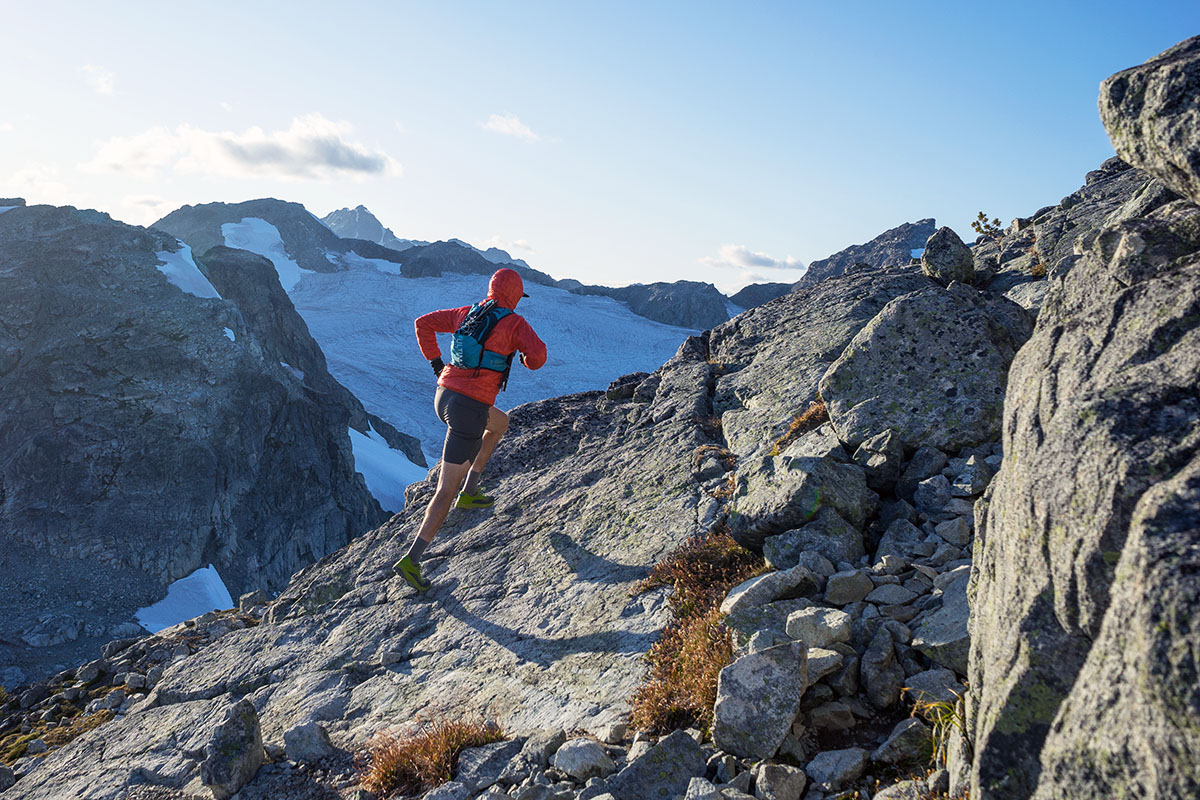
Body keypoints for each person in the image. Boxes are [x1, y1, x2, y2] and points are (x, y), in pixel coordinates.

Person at [393, 267, 547, 591]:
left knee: (500, 423)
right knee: (444, 490)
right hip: (468, 408)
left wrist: (437, 365)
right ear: (516, 296)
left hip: (444, 395)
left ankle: (472, 489)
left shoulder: (468, 312)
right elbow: (539, 355)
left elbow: (423, 323)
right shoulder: (514, 323)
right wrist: (526, 361)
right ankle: (412, 560)